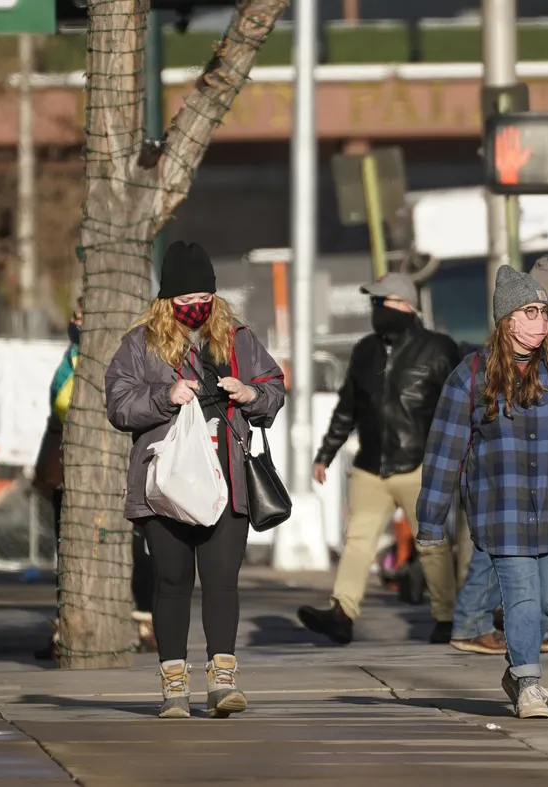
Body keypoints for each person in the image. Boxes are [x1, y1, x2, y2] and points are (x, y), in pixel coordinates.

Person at [416, 264, 548, 719]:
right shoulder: (470, 377)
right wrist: (430, 520)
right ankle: (529, 683)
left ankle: (516, 669)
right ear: (507, 319)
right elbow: (445, 452)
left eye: (544, 313)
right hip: (501, 514)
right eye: (531, 312)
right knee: (522, 598)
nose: (541, 322)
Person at [105, 241, 285, 719]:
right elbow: (120, 405)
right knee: (171, 581)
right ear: (168, 302)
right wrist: (167, 394)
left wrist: (251, 393)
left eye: (204, 298)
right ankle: (174, 686)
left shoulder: (238, 338)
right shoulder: (139, 345)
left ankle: (222, 682)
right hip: (166, 483)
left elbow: (274, 386)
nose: (196, 309)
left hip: (229, 478)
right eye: (186, 303)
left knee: (222, 580)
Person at [448, 256, 548, 656]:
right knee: (512, 561)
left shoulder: (537, 337)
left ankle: (529, 634)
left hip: (524, 478)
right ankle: (512, 640)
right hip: (534, 476)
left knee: (518, 560)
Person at [296, 272, 462, 645]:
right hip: (370, 466)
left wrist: (455, 454)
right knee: (357, 541)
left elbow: (457, 407)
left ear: (406, 306)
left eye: (381, 302)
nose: (374, 310)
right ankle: (342, 613)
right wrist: (327, 452)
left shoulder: (439, 349)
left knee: (431, 544)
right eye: (372, 302)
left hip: (420, 465)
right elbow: (348, 407)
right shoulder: (365, 349)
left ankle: (446, 617)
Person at [33, 300, 154, 661]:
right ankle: (67, 623)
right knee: (68, 544)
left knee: (134, 544)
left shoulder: (130, 356)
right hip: (71, 466)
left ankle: (146, 619)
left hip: (120, 463)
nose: (79, 323)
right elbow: (59, 401)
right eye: (76, 316)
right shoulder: (70, 359)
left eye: (86, 317)